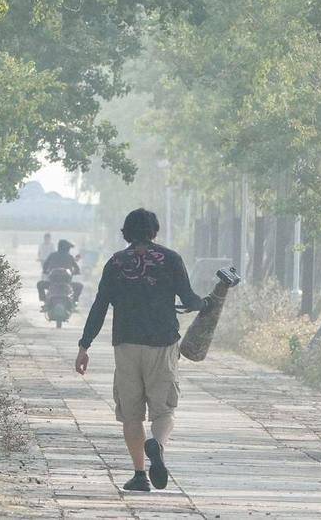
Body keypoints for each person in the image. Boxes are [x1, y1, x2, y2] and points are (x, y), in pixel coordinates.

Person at [74, 208, 230, 492]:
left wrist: (85, 345)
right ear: (154, 232)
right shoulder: (170, 259)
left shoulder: (116, 262)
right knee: (164, 411)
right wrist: (207, 304)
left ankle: (139, 475)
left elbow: (99, 306)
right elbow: (189, 299)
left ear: (126, 233)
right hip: (163, 343)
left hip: (126, 344)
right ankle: (156, 445)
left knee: (131, 414)